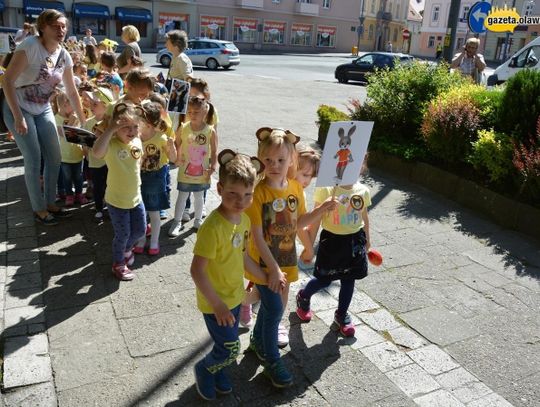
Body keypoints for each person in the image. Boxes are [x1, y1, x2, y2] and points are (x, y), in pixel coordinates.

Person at [244, 128, 335, 388]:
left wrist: (322, 210)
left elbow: (298, 222)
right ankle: (271, 358)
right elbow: (258, 237)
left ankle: (257, 342)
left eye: (281, 160)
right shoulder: (258, 193)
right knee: (274, 308)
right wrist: (272, 269)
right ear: (260, 159)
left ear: (291, 160)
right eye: (268, 160)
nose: (274, 165)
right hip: (264, 262)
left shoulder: (295, 187)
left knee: (273, 307)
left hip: (286, 260)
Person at [190, 150, 273, 401]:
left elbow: (243, 256)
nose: (241, 201)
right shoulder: (212, 228)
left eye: (248, 195)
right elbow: (196, 270)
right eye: (233, 194)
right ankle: (204, 369)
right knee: (230, 347)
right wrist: (217, 305)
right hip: (215, 302)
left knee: (225, 346)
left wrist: (263, 277)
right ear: (219, 189)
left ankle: (220, 371)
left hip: (235, 296)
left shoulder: (244, 220)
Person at [2, 9, 86, 225]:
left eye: (64, 26)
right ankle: (39, 209)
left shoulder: (63, 54)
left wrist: (83, 119)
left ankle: (50, 203)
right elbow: (7, 81)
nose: (61, 30)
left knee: (55, 156)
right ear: (43, 27)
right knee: (34, 156)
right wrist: (18, 116)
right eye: (56, 26)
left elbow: (71, 90)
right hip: (18, 106)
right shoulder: (30, 46)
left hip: (43, 107)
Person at [296, 171, 372, 337]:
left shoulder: (362, 190)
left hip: (354, 242)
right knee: (324, 280)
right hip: (331, 242)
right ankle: (304, 296)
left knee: (349, 280)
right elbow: (315, 220)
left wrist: (367, 239)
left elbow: (364, 217)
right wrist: (309, 247)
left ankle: (341, 314)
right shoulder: (327, 189)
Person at [92, 102, 146, 281]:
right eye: (125, 127)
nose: (131, 131)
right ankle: (118, 263)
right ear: (116, 128)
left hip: (136, 197)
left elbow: (137, 163)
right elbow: (97, 152)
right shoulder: (111, 144)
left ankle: (126, 249)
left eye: (135, 127)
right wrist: (109, 130)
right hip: (116, 200)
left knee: (139, 230)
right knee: (122, 234)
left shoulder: (137, 141)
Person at [168, 92, 217, 236]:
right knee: (182, 196)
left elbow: (214, 151)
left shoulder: (210, 130)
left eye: (196, 111)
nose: (192, 114)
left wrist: (213, 166)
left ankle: (198, 220)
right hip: (185, 170)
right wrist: (176, 157)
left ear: (205, 111)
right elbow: (177, 144)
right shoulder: (183, 127)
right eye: (190, 112)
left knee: (199, 196)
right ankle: (177, 222)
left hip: (202, 172)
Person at [133, 101, 177, 256]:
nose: (135, 122)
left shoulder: (161, 138)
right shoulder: (136, 137)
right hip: (139, 177)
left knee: (153, 212)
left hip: (156, 177)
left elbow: (173, 159)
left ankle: (154, 241)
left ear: (149, 124)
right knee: (140, 212)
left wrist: (172, 148)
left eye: (138, 120)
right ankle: (141, 240)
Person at [182, 78, 219, 222]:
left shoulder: (212, 111)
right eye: (191, 96)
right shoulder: (188, 109)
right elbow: (184, 128)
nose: (194, 99)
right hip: (189, 151)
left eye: (197, 95)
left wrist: (214, 154)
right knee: (186, 179)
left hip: (204, 153)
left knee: (202, 180)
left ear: (206, 96)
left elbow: (215, 131)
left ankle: (201, 206)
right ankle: (185, 207)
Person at [84, 86, 113, 221]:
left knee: (110, 184)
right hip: (95, 161)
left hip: (110, 161)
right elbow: (84, 143)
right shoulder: (88, 123)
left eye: (95, 104)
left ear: (105, 106)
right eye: (92, 103)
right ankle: (98, 208)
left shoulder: (111, 123)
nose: (91, 106)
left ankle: (109, 205)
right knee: (98, 186)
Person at [54, 91, 87, 207]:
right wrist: (73, 121)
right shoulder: (56, 119)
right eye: (73, 105)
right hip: (64, 156)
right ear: (64, 105)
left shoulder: (76, 118)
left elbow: (81, 134)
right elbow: (64, 133)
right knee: (67, 177)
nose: (76, 108)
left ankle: (79, 193)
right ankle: (69, 195)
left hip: (77, 154)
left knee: (79, 176)